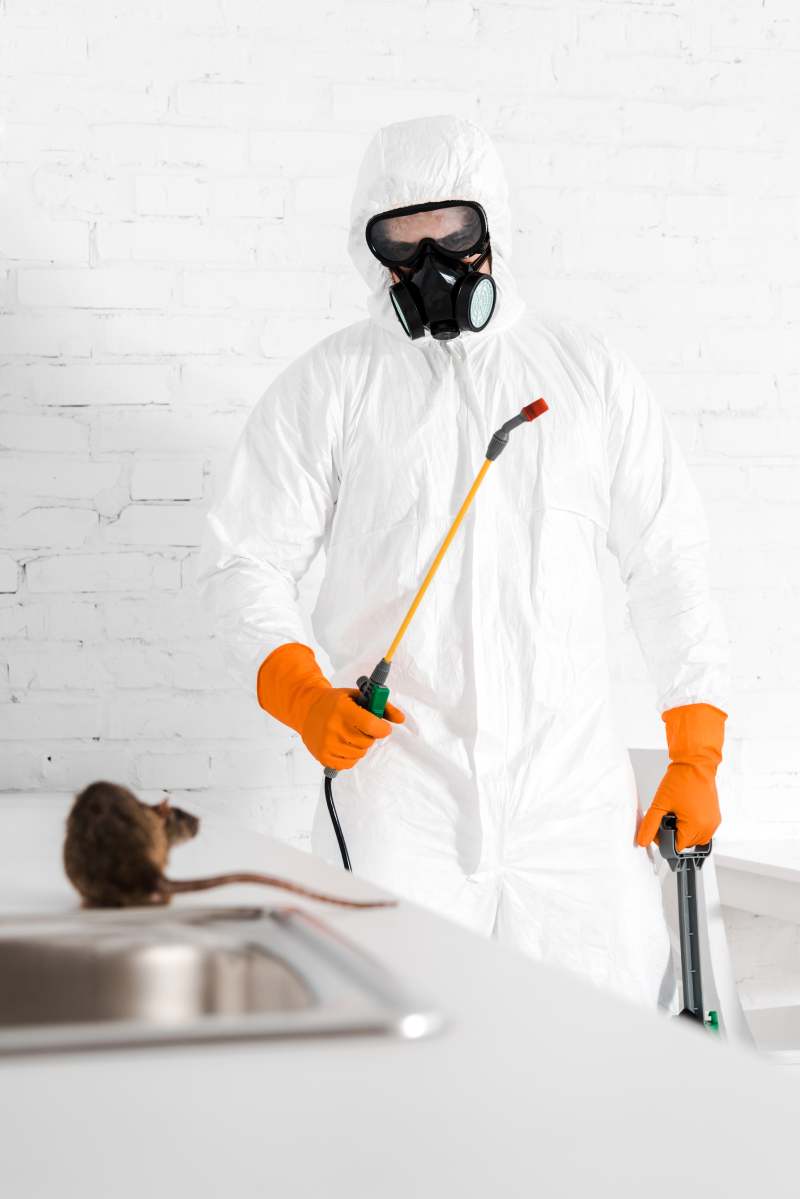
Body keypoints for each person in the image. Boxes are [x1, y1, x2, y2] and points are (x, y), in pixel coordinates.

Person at [197, 114, 730, 1011]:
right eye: (402, 243)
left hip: (568, 800)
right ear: (374, 255)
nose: (431, 265)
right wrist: (300, 689)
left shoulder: (587, 377)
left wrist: (697, 748)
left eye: (453, 234)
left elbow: (669, 560)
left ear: (495, 231)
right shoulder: (330, 388)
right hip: (399, 797)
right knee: (393, 1050)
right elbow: (241, 559)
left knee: (595, 1049)